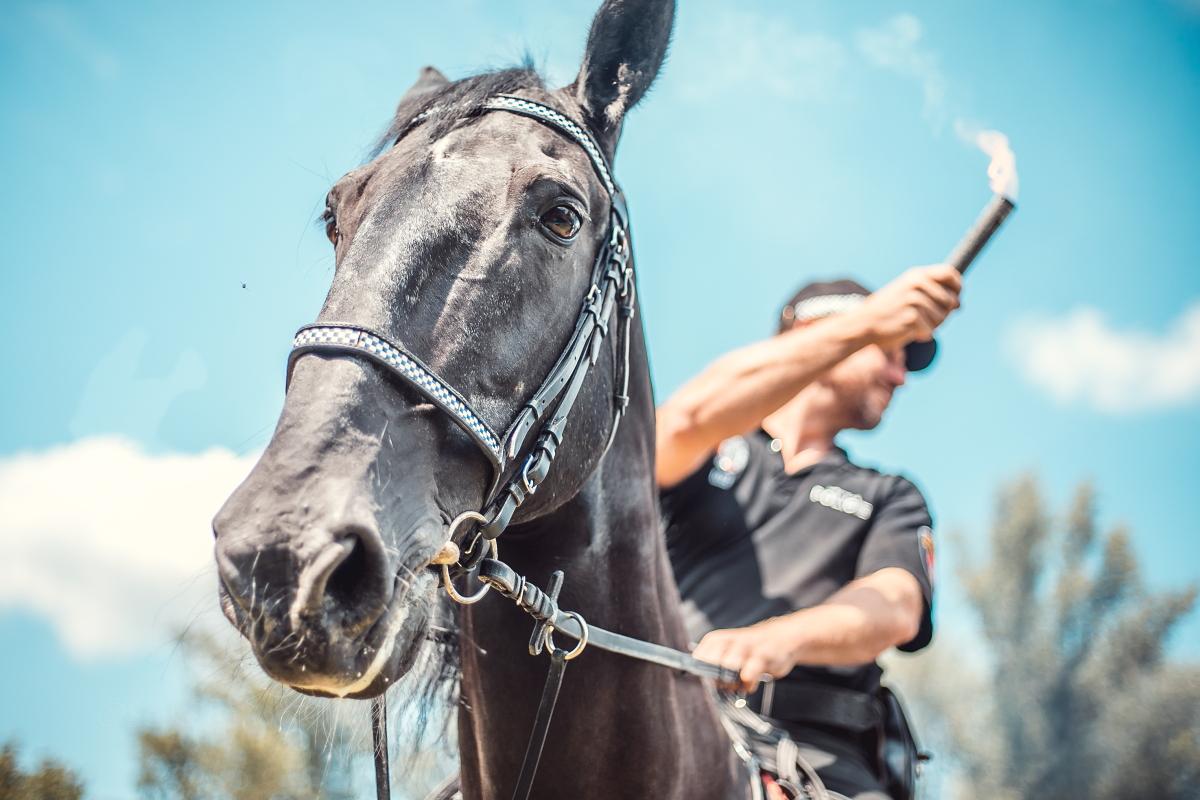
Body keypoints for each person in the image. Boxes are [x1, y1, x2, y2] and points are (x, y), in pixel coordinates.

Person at [657, 265, 963, 800]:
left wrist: (776, 639)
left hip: (819, 756)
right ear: (813, 332)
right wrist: (869, 322)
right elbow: (676, 426)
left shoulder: (888, 495)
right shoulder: (710, 444)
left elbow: (894, 605)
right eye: (890, 352)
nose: (900, 378)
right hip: (661, 721)